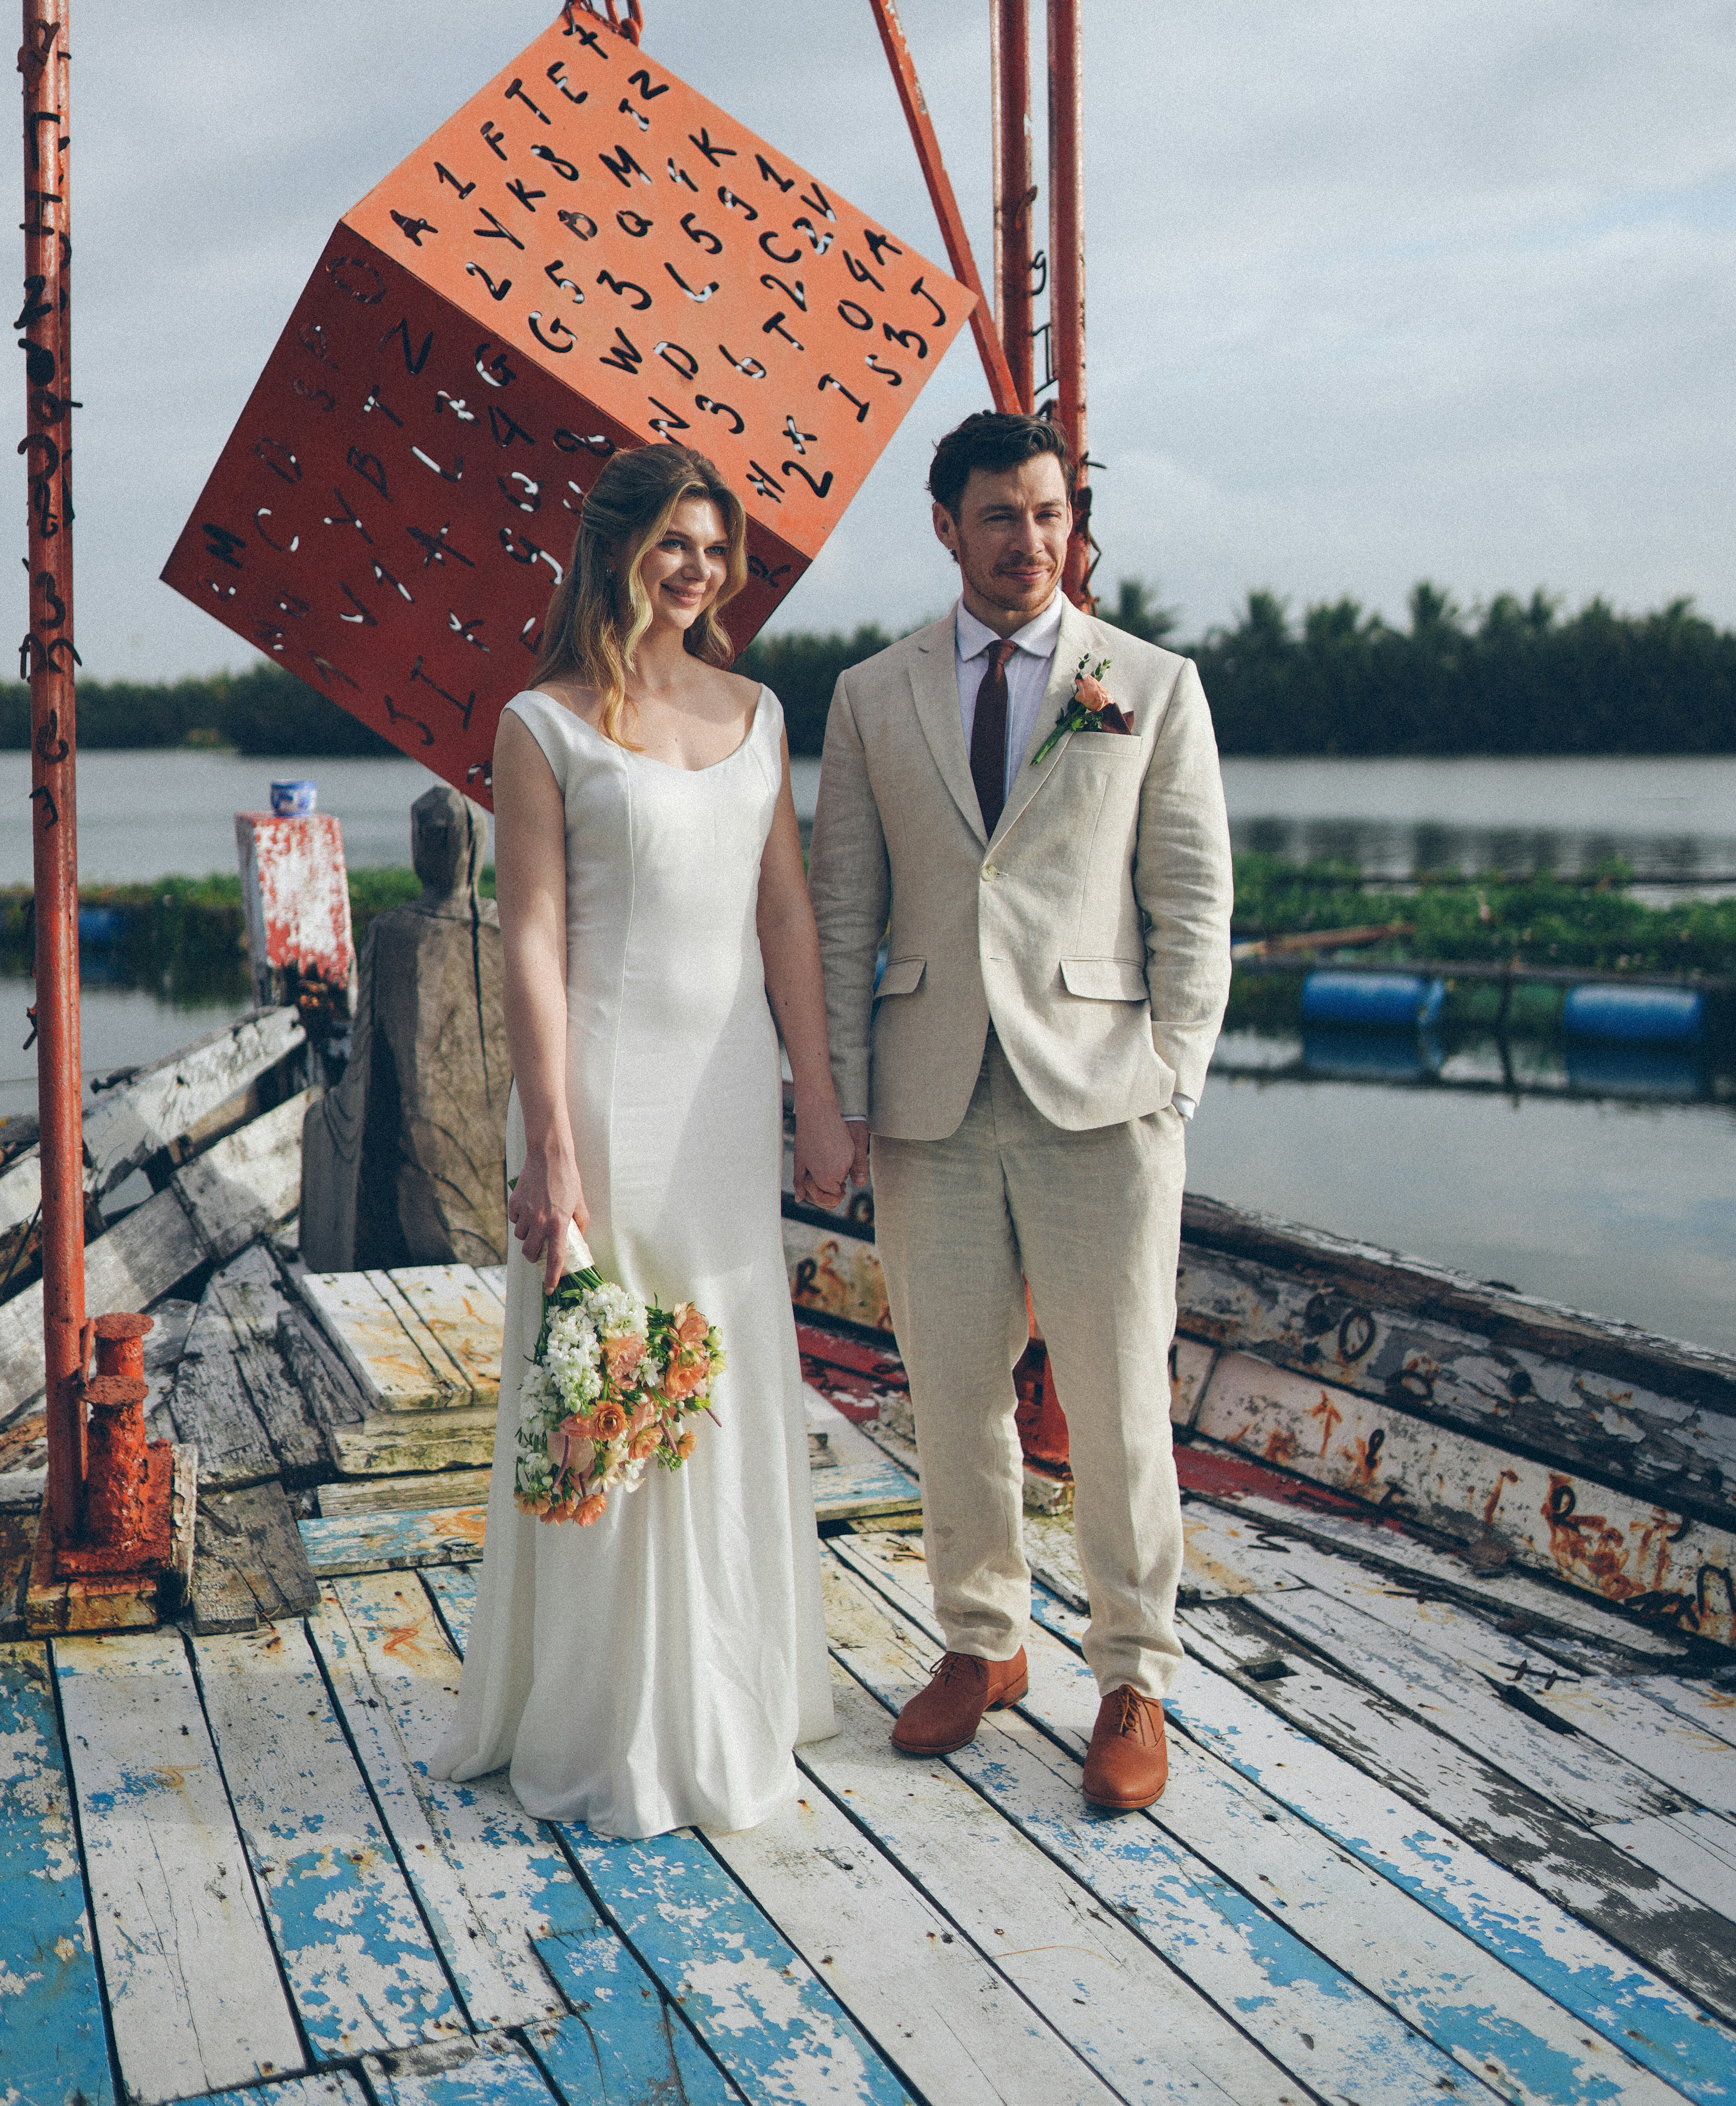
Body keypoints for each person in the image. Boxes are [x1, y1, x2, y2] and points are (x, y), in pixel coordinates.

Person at [807, 410, 1232, 1811]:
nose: (1030, 542)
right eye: (1002, 516)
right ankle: (982, 1644)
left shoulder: (1152, 685)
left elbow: (1195, 901)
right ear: (948, 525)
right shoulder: (873, 696)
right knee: (954, 1390)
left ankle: (1133, 1676)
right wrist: (842, 1101)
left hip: (1104, 1096)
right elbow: (846, 908)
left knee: (1117, 1402)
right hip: (933, 1093)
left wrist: (1173, 1075)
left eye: (1052, 516)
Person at [432, 442, 850, 1837]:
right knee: (607, 1381)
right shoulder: (541, 724)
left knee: (723, 1373)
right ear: (612, 550)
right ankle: (608, 1716)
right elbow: (535, 941)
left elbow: (783, 914)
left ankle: (733, 1688)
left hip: (730, 1098)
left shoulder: (758, 709)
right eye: (674, 543)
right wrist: (548, 1147)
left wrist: (821, 1098)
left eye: (715, 549)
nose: (697, 570)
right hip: (605, 1090)